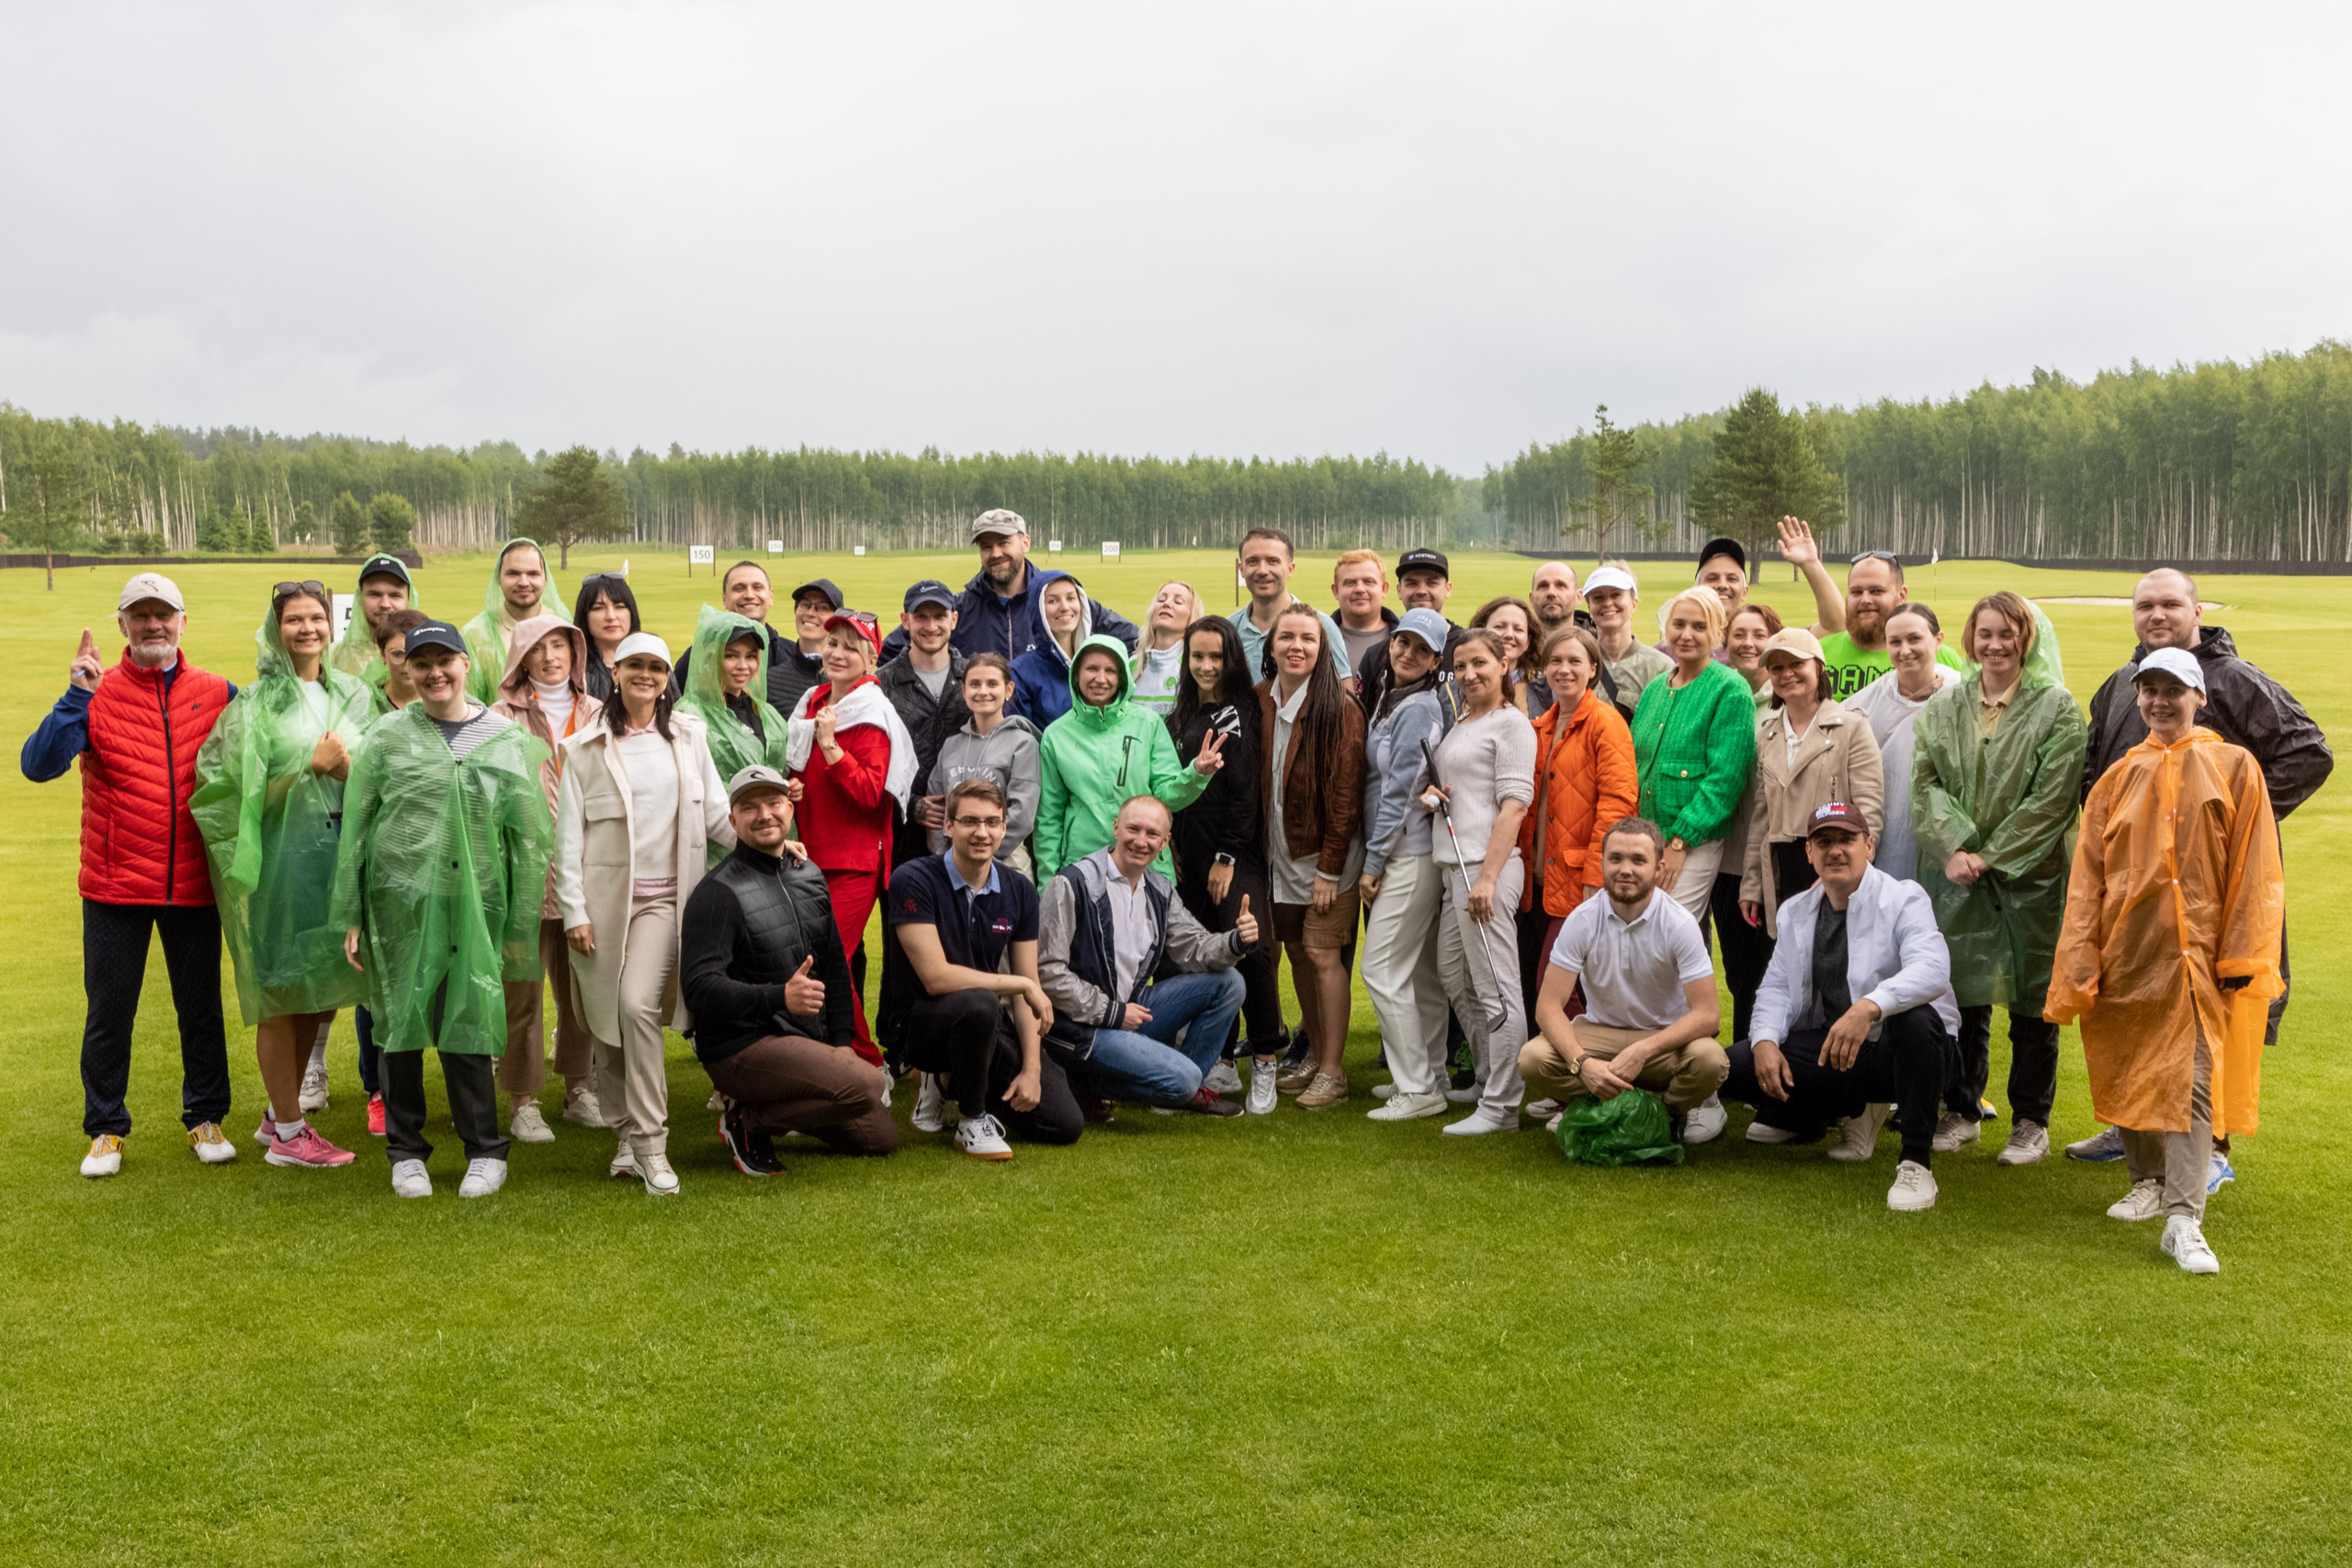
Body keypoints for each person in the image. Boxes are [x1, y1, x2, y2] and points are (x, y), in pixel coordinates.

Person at [2070, 568, 2329, 1166]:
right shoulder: (2121, 686)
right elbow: (2095, 768)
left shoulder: (2232, 680)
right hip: (2136, 896)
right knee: (2136, 1008)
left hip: (2207, 894)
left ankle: (2211, 1145)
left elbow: (2307, 753)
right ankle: (2134, 1126)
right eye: (2145, 606)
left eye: (2170, 603)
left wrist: (2232, 826)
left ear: (2197, 610)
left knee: (2210, 1017)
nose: (2156, 615)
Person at [2047, 649, 2283, 1274]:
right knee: (2131, 1070)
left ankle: (2184, 1219)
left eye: (2172, 690)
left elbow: (2255, 867)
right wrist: (2081, 957)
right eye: (2148, 690)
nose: (2159, 701)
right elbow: (2088, 880)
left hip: (2196, 959)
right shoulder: (2116, 779)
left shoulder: (2235, 768)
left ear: (2198, 696)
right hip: (2127, 955)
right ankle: (2147, 1180)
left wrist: (2241, 950)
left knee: (2192, 1083)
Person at [23, 574, 238, 1178]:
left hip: (193, 882)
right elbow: (38, 765)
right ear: (122, 625)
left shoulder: (218, 691)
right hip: (115, 885)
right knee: (110, 1013)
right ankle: (106, 1128)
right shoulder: (96, 693)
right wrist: (75, 696)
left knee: (201, 1009)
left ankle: (206, 1117)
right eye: (140, 615)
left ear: (183, 622)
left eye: (163, 614)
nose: (153, 625)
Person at [332, 620, 553, 1200]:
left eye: (445, 661)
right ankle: (406, 1152)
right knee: (399, 1027)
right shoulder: (386, 738)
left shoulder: (503, 739)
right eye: (422, 663)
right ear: (406, 670)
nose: (434, 673)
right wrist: (351, 912)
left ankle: (485, 1150)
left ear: (464, 665)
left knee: (469, 1022)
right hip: (399, 905)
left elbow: (529, 839)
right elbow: (357, 826)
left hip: (475, 905)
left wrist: (518, 924)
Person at [186, 581, 371, 1170]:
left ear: (331, 625)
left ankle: (277, 1114)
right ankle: (291, 1135)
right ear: (276, 628)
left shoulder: (352, 693)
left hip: (338, 863)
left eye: (316, 617)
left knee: (318, 990)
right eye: (294, 619)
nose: (307, 629)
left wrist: (346, 771)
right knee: (281, 993)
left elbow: (377, 772)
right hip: (284, 868)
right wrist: (310, 769)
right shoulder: (255, 706)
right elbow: (233, 799)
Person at [555, 632, 734, 1196]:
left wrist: (771, 843)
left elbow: (718, 815)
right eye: (635, 665)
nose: (646, 675)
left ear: (666, 678)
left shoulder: (689, 737)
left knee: (635, 1006)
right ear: (616, 672)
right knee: (605, 1022)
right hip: (602, 906)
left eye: (656, 667)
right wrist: (574, 911)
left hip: (665, 901)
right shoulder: (584, 748)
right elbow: (568, 839)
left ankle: (653, 1145)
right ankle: (626, 1138)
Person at [1911, 592, 2085, 1167]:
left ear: (2027, 639)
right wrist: (1954, 847)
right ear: (1970, 639)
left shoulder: (2056, 707)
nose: (1995, 645)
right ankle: (1961, 1108)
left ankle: (2031, 1122)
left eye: (2007, 633)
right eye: (1985, 633)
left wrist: (1991, 856)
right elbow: (1926, 781)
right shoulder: (1946, 705)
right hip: (1957, 874)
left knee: (2034, 1002)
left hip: (2031, 878)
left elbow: (2052, 799)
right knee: (1963, 996)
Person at [1721, 803, 1962, 1208]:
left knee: (1916, 1020)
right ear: (1809, 852)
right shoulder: (1797, 911)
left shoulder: (1904, 897)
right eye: (1824, 841)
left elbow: (1933, 969)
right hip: (1840, 1050)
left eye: (1847, 839)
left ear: (1869, 846)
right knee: (1735, 1066)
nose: (1835, 850)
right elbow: (1776, 988)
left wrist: (1869, 1007)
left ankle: (1916, 1162)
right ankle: (1815, 1117)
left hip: (1913, 1053)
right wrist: (1763, 1041)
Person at [679, 763, 897, 1174]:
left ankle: (765, 1107)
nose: (764, 815)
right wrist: (779, 996)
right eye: (749, 808)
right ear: (732, 821)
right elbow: (699, 988)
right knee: (867, 1084)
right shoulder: (717, 893)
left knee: (878, 1137)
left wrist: (842, 1043)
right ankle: (747, 1123)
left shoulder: (809, 874)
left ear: (790, 810)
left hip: (802, 1039)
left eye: (774, 803)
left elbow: (835, 967)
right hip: (740, 1047)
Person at [884, 776, 1081, 1156]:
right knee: (980, 1002)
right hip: (919, 1025)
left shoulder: (1019, 890)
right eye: (970, 822)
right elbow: (936, 978)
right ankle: (971, 1119)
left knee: (1063, 1123)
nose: (982, 832)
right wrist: (1021, 985)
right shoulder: (913, 879)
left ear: (1004, 828)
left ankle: (948, 1082)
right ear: (948, 826)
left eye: (992, 822)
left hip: (982, 1025)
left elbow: (1027, 984)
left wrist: (1032, 1069)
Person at [1038, 795, 1258, 1115]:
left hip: (1131, 1011)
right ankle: (1090, 1082)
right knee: (1183, 1078)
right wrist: (1113, 1013)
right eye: (1133, 829)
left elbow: (1195, 947)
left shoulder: (1159, 890)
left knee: (1230, 983)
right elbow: (1048, 972)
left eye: (1152, 834)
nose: (1141, 841)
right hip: (1082, 1028)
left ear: (1165, 842)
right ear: (1116, 828)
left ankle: (1183, 1090)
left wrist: (1236, 941)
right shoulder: (1071, 884)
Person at [1630, 586, 1754, 1143]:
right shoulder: (1658, 688)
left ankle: (1705, 1093)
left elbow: (1726, 777)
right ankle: (1658, 1074)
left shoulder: (1729, 689)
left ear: (1718, 633)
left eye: (1699, 626)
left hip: (1690, 843)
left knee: (1674, 951)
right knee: (1648, 954)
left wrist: (1679, 843)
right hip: (1648, 843)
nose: (1686, 635)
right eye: (1679, 624)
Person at [1518, 818, 1726, 1138]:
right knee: (1533, 1059)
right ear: (1601, 863)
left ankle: (1662, 1113)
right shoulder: (1582, 919)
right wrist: (1584, 1063)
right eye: (1616, 859)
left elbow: (1708, 1015)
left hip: (1662, 1038)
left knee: (1711, 1061)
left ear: (1658, 869)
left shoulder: (1679, 923)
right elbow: (1547, 1007)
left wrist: (1642, 1051)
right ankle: (1599, 1101)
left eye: (1638, 860)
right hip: (1600, 1035)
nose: (1625, 870)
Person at [487, 613, 601, 1141]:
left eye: (560, 645)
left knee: (581, 992)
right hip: (524, 880)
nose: (551, 657)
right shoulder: (499, 717)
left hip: (585, 877)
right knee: (522, 994)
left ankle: (579, 1089)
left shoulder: (597, 712)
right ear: (522, 658)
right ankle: (523, 1101)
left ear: (575, 652)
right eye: (538, 648)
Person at [786, 609, 918, 1064]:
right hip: (809, 854)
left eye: (851, 647)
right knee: (814, 962)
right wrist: (792, 787)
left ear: (871, 658)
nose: (838, 654)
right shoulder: (812, 701)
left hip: (855, 860)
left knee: (828, 964)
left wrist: (830, 746)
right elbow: (799, 770)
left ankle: (867, 1061)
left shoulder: (873, 711)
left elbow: (870, 793)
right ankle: (832, 1056)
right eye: (832, 644)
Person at [1419, 627, 1537, 1135]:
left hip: (1484, 871)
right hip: (1454, 869)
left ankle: (1503, 1106)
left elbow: (1514, 807)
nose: (1469, 674)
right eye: (1460, 666)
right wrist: (1435, 797)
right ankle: (1489, 1078)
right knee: (1454, 977)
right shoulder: (1465, 720)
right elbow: (1465, 789)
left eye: (1479, 664)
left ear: (1504, 663)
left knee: (1496, 989)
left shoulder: (1512, 725)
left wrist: (1487, 880)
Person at [1167, 616, 1286, 1111]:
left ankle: (1265, 1058)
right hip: (1186, 857)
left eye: (1216, 656)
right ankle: (1221, 1059)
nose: (1206, 666)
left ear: (1231, 658)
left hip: (1231, 853)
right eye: (1197, 656)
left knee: (1250, 949)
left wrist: (1226, 858)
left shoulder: (1240, 713)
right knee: (1203, 955)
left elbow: (1245, 794)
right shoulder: (1181, 713)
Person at [1259, 605, 1366, 1109]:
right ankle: (1317, 1057)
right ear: (1272, 645)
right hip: (1280, 854)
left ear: (1323, 649)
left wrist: (1329, 868)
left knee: (1323, 954)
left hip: (1324, 859)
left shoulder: (1339, 707)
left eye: (1308, 638)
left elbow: (1346, 797)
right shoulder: (1260, 698)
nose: (1296, 646)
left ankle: (1334, 1073)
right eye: (1287, 637)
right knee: (1297, 952)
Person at [1360, 609, 1462, 1122]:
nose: (1408, 653)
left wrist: (1373, 862)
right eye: (1403, 642)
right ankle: (1431, 1074)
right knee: (1419, 973)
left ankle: (1418, 1088)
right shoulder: (1392, 695)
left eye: (1422, 650)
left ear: (1435, 661)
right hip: (1406, 851)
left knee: (1380, 969)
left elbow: (1399, 792)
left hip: (1407, 854)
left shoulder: (1418, 706)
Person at [1516, 625, 1637, 1046]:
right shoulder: (1540, 726)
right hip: (1536, 881)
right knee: (1551, 983)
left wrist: (1595, 875)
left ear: (1593, 668)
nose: (1564, 669)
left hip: (1578, 880)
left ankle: (1579, 1073)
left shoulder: (1606, 722)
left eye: (1574, 661)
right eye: (1555, 661)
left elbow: (1618, 804)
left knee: (1557, 986)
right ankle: (1562, 1069)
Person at [1034, 634, 1221, 882]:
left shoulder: (1147, 723)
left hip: (1146, 863)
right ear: (1076, 674)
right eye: (1092, 669)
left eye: (1110, 671)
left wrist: (1195, 775)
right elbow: (1049, 817)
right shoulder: (1056, 735)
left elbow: (1166, 797)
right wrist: (1049, 883)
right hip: (1083, 865)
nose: (1101, 679)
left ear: (1122, 676)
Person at [1737, 627, 1885, 935]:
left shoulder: (1852, 727)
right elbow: (1761, 819)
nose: (1787, 674)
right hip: (1783, 867)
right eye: (1777, 668)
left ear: (1818, 667)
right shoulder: (1767, 736)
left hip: (1836, 859)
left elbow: (1868, 809)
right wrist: (1752, 884)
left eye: (1796, 664)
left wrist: (1855, 869)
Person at [887, 509, 1137, 663]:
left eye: (1004, 543)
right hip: (980, 729)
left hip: (1044, 730)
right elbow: (889, 649)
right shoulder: (959, 609)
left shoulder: (1058, 602)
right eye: (986, 547)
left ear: (1025, 543)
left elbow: (1135, 640)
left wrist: (1090, 675)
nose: (996, 553)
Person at [1847, 604, 1962, 882]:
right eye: (1895, 642)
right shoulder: (1866, 703)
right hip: (1889, 834)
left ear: (1938, 640)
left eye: (1914, 639)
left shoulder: (1964, 695)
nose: (1905, 650)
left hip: (1953, 842)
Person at [878, 579, 971, 874]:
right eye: (921, 616)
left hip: (966, 833)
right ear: (905, 621)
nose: (931, 626)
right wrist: (909, 804)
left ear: (953, 620)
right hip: (902, 838)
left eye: (939, 616)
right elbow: (870, 764)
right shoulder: (881, 685)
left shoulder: (975, 680)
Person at [924, 654, 1041, 870]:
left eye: (992, 684)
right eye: (975, 684)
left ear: (1008, 690)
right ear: (964, 691)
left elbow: (1022, 815)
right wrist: (946, 858)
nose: (983, 691)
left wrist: (981, 859)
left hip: (1006, 864)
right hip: (952, 865)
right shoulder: (951, 746)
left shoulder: (1023, 744)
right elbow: (937, 810)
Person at [1815, 552, 1966, 698]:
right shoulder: (1818, 654)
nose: (1865, 600)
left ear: (1902, 595)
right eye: (1857, 592)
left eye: (1876, 591)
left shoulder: (1941, 657)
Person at [673, 561, 817, 716]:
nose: (749, 595)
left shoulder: (793, 655)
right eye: (739, 588)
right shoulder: (700, 655)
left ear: (771, 596)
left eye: (757, 587)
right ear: (724, 598)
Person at [677, 604, 791, 796]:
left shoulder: (767, 713)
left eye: (751, 656)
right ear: (710, 657)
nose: (743, 666)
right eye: (730, 656)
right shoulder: (689, 714)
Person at [1231, 527, 1353, 683]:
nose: (1262, 570)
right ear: (1241, 569)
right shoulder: (1230, 629)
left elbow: (1344, 692)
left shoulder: (1322, 626)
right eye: (1252, 561)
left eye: (1273, 561)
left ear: (1290, 569)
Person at [1689, 520, 1846, 640]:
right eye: (1712, 578)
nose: (1722, 585)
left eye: (1732, 578)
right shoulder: (1679, 643)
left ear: (1745, 592)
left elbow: (1835, 627)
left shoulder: (1767, 639)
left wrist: (1811, 564)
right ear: (1696, 589)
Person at [1354, 547, 1459, 717]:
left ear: (1448, 589)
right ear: (1399, 590)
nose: (1421, 591)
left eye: (1432, 583)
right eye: (1411, 583)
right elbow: (1361, 721)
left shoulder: (1468, 647)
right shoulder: (1375, 655)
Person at [460, 538, 569, 703]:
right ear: (498, 578)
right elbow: (468, 702)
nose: (523, 582)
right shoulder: (475, 634)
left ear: (545, 579)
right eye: (513, 574)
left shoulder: (564, 627)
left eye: (533, 574)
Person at [1580, 566, 1671, 721]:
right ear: (1589, 609)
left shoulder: (1659, 666)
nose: (1607, 603)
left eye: (1616, 595)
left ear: (1634, 604)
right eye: (1598, 598)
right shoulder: (1577, 661)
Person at [1009, 571, 1097, 727]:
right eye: (1052, 601)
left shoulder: (1100, 660)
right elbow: (1018, 735)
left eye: (1070, 598)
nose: (1064, 607)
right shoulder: (1019, 673)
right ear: (1038, 609)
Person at [328, 552, 420, 702]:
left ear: (409, 599)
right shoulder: (334, 657)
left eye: (395, 595)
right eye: (375, 595)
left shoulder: (428, 653)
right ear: (359, 598)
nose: (385, 604)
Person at [1129, 580, 1205, 716]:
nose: (1167, 603)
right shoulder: (1130, 665)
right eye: (1161, 600)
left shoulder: (1194, 668)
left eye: (1178, 602)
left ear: (1192, 617)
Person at [1525, 561, 1583, 715]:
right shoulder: (1516, 652)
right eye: (1543, 586)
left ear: (1578, 597)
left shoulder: (1595, 651)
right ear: (1531, 598)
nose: (1551, 593)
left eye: (1560, 586)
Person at [1467, 595, 1540, 715]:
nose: (1509, 634)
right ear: (1480, 632)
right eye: (1499, 627)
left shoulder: (1543, 690)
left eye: (1518, 629)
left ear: (1528, 642)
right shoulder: (1457, 689)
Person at [1331, 549, 1396, 675]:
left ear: (1384, 589)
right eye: (1350, 583)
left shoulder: (1405, 638)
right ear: (1336, 591)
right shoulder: (1318, 639)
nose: (1360, 589)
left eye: (1368, 582)